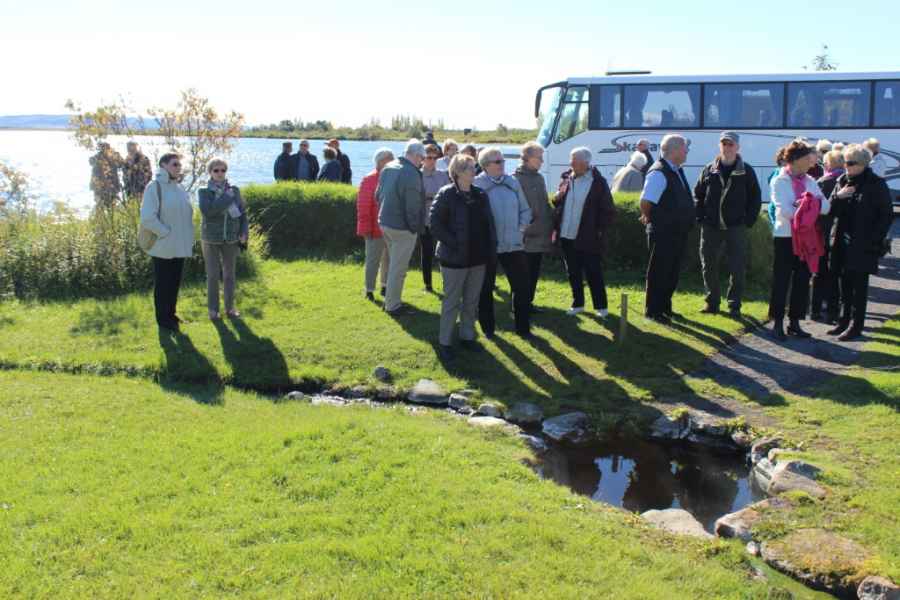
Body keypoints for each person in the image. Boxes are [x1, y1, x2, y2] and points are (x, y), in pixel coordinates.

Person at [429, 154, 496, 360]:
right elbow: (435, 224)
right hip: (454, 259)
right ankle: (445, 342)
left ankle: (467, 337)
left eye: (474, 167)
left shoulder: (480, 194)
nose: (474, 171)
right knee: (451, 302)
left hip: (478, 258)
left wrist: (490, 248)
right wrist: (456, 244)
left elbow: (489, 224)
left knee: (471, 301)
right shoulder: (446, 194)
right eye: (470, 167)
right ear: (457, 172)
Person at [826, 144, 894, 341]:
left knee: (859, 286)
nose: (846, 166)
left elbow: (886, 215)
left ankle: (856, 326)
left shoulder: (876, 184)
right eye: (845, 162)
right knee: (843, 283)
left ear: (863, 164)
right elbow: (829, 210)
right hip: (841, 240)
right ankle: (843, 320)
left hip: (863, 244)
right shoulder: (841, 180)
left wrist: (874, 239)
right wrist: (839, 197)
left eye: (851, 163)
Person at [693, 131, 762, 317]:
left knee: (737, 267)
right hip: (711, 226)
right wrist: (700, 217)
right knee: (708, 265)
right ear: (720, 146)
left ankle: (734, 305)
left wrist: (747, 221)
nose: (727, 147)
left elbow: (755, 198)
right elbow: (698, 195)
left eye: (731, 144)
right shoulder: (709, 169)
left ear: (737, 147)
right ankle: (712, 303)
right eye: (724, 144)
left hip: (736, 227)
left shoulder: (747, 171)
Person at [767, 140, 830, 341]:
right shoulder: (779, 180)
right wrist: (808, 206)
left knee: (802, 280)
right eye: (807, 157)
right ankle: (777, 322)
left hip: (806, 237)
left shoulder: (810, 180)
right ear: (795, 159)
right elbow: (785, 211)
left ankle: (795, 322)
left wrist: (804, 206)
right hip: (785, 237)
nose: (812, 161)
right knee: (782, 280)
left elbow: (826, 206)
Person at [474, 147, 533, 339]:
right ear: (486, 165)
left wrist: (520, 229)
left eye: (503, 160)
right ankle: (488, 329)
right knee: (485, 289)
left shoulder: (512, 182)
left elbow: (526, 210)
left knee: (522, 287)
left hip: (514, 245)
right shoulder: (477, 185)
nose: (503, 164)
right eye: (498, 161)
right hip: (489, 247)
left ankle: (523, 328)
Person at [553, 147, 616, 318]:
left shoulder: (598, 182)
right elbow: (559, 202)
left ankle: (601, 307)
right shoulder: (567, 178)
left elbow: (608, 211)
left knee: (593, 272)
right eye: (571, 159)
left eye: (574, 160)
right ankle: (578, 304)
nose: (570, 163)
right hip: (566, 234)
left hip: (588, 237)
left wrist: (598, 231)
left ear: (586, 163)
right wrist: (556, 199)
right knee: (572, 272)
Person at [639, 134, 696, 323]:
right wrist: (650, 217)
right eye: (685, 148)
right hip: (663, 232)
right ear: (675, 150)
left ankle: (665, 308)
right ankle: (653, 311)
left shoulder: (675, 170)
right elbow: (646, 201)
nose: (687, 151)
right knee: (659, 272)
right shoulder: (659, 172)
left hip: (677, 231)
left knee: (671, 272)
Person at [140, 153, 194, 332]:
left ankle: (171, 315)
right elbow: (147, 218)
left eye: (179, 165)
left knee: (174, 282)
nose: (179, 168)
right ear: (163, 165)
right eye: (175, 164)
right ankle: (163, 320)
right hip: (162, 246)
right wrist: (165, 233)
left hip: (179, 245)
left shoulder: (179, 188)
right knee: (163, 284)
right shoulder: (153, 187)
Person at [377, 139, 427, 315]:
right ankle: (393, 305)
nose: (422, 162)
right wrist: (414, 228)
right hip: (402, 228)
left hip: (385, 223)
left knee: (394, 265)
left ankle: (390, 299)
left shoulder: (388, 167)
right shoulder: (411, 173)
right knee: (398, 269)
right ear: (416, 155)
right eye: (422, 158)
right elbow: (412, 206)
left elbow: (378, 195)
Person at [198, 158, 248, 320]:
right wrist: (227, 197)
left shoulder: (235, 190)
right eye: (216, 170)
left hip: (231, 238)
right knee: (213, 276)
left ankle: (230, 308)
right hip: (211, 239)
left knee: (229, 275)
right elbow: (208, 212)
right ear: (210, 172)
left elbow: (242, 214)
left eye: (223, 170)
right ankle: (213, 310)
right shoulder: (204, 192)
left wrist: (244, 232)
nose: (220, 173)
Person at [514, 142, 553, 313]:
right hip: (525, 236)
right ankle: (519, 307)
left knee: (534, 272)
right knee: (522, 274)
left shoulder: (539, 178)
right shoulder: (516, 179)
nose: (542, 161)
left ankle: (528, 304)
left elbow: (544, 203)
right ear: (528, 158)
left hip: (540, 234)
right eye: (539, 157)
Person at [810, 150, 845, 323]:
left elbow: (816, 210)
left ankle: (815, 310)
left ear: (830, 164)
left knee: (819, 273)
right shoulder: (845, 181)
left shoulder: (822, 182)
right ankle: (833, 311)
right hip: (838, 233)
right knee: (835, 274)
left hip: (822, 233)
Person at [357, 148, 394, 300]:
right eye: (390, 159)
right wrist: (365, 227)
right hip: (374, 228)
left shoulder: (392, 177)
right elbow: (363, 205)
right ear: (380, 161)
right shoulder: (369, 179)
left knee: (388, 259)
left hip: (390, 227)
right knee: (373, 260)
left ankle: (385, 286)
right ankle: (369, 289)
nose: (393, 161)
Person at [420, 144, 450, 292]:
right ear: (422, 159)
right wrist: (429, 197)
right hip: (424, 219)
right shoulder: (417, 175)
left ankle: (447, 282)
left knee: (445, 252)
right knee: (427, 252)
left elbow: (449, 194)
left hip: (442, 219)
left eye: (434, 158)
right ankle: (428, 284)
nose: (432, 161)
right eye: (429, 158)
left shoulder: (443, 175)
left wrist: (432, 197)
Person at [89, 142, 124, 209]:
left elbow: (122, 164)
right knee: (100, 206)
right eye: (102, 148)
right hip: (100, 187)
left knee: (112, 206)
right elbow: (91, 161)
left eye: (105, 147)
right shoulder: (97, 157)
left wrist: (113, 155)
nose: (103, 149)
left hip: (112, 186)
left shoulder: (114, 156)